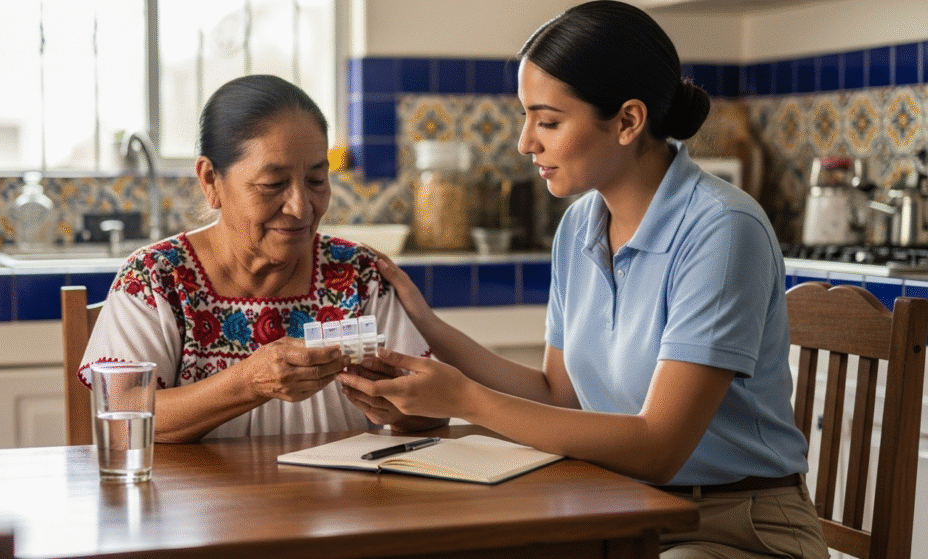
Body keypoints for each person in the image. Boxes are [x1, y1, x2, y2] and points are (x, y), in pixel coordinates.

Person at [338, 2, 828, 557]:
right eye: (527, 118)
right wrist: (430, 330)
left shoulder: (721, 229)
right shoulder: (580, 225)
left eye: (547, 121)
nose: (526, 142)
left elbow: (657, 448)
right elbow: (562, 395)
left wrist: (467, 400)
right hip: (616, 506)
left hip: (732, 525)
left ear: (627, 121)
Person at [79, 75, 444, 442]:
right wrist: (248, 382)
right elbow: (120, 415)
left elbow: (434, 414)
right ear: (210, 180)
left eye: (316, 180)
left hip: (336, 498)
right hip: (192, 500)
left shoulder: (357, 274)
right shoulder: (156, 278)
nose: (301, 207)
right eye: (273, 184)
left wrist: (403, 409)